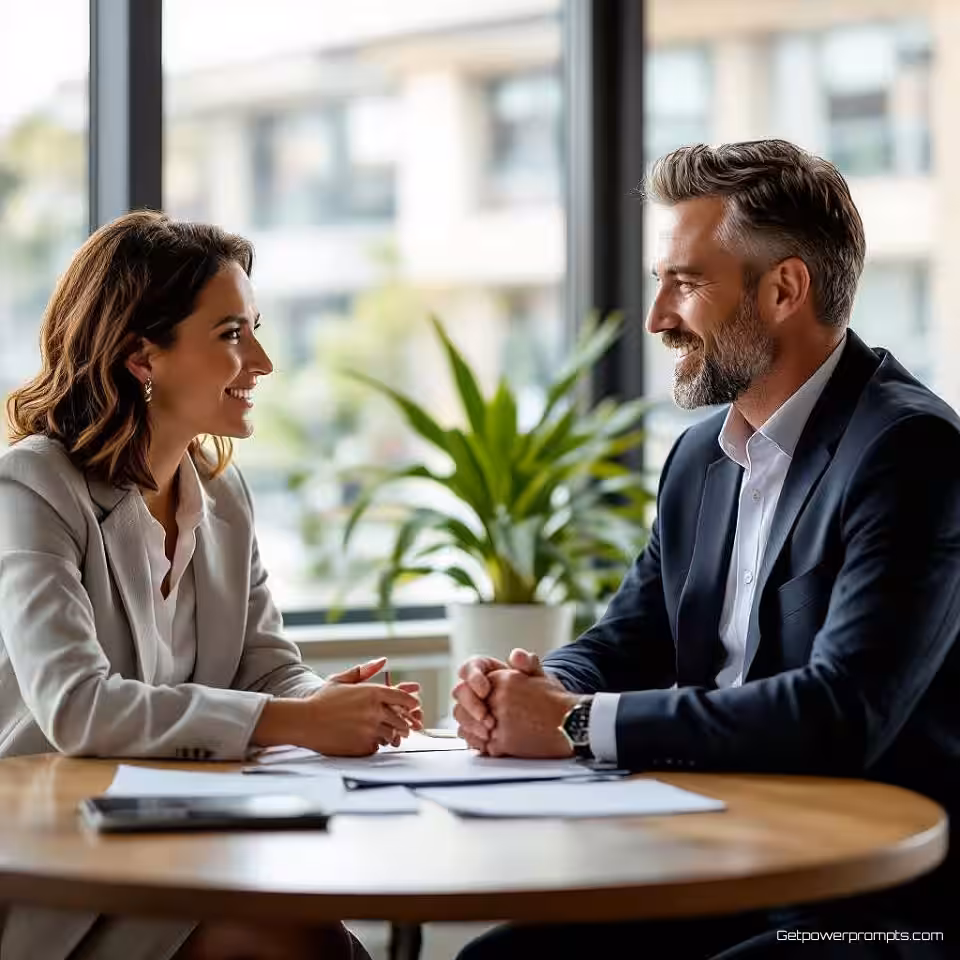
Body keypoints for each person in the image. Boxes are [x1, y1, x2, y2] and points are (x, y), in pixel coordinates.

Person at [452, 140, 960, 958]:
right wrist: (528, 687)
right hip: (723, 856)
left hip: (875, 898)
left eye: (685, 283)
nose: (657, 318)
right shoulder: (699, 457)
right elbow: (633, 635)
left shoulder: (910, 449)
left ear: (785, 289)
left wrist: (573, 722)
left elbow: (843, 711)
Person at [0, 211, 422, 960]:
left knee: (314, 929)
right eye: (232, 334)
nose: (262, 361)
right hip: (61, 868)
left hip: (183, 842)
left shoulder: (222, 495)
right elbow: (77, 707)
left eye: (254, 330)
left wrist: (327, 701)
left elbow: (267, 666)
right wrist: (296, 722)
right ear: (142, 356)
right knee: (299, 941)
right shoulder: (32, 486)